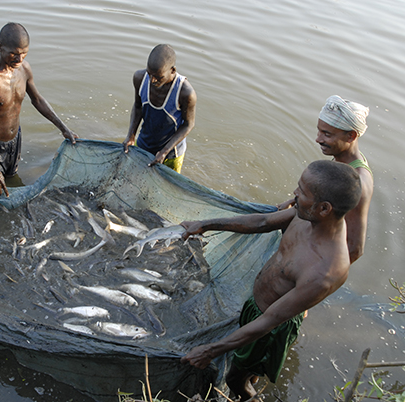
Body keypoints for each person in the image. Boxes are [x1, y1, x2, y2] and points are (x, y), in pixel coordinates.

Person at [180, 160, 362, 401]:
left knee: (236, 378)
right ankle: (253, 371)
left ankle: (250, 396)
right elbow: (263, 222)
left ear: (324, 208)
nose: (295, 194)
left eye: (302, 191)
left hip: (271, 327)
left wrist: (209, 351)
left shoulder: (326, 271)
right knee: (248, 364)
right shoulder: (305, 215)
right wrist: (204, 224)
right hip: (258, 307)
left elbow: (270, 320)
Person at [0, 22, 78, 197]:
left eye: (24, 53)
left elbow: (38, 100)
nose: (19, 59)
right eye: (13, 53)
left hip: (14, 140)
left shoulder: (24, 68)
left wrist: (64, 128)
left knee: (11, 181)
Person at [278, 95, 373, 263]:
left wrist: (311, 274)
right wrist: (294, 201)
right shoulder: (341, 160)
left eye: (327, 134)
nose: (318, 139)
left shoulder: (358, 182)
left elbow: (355, 248)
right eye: (319, 131)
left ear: (351, 136)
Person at [123, 44, 197, 173]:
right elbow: (138, 107)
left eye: (159, 77)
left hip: (170, 153)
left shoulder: (185, 93)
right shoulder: (139, 78)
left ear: (172, 71)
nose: (152, 80)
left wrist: (164, 151)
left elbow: (188, 125)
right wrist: (131, 135)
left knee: (167, 187)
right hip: (143, 145)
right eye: (149, 74)